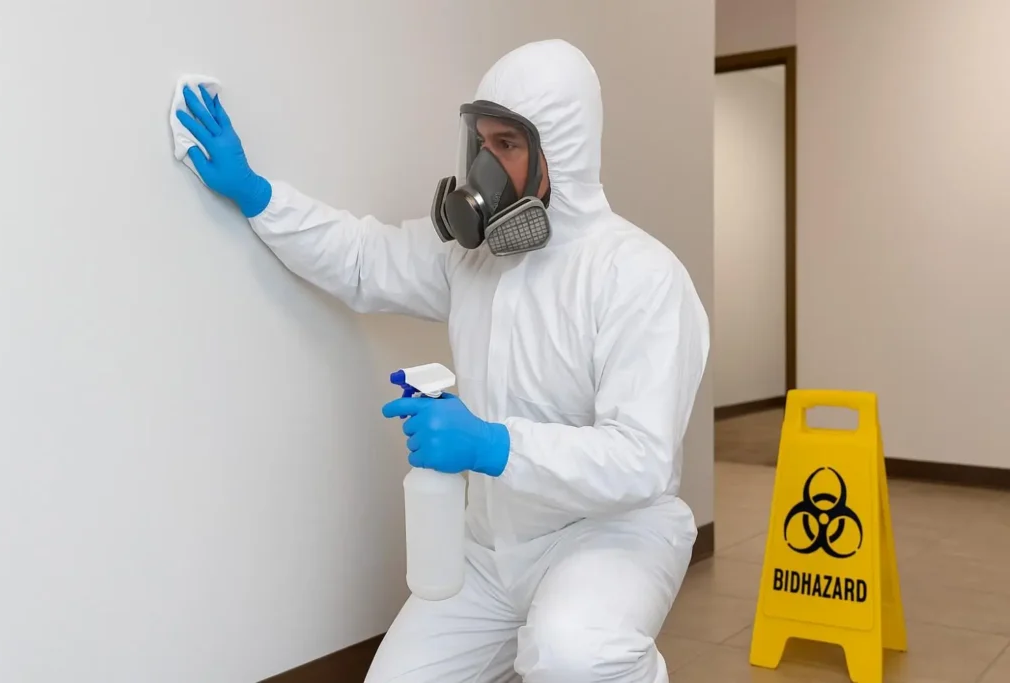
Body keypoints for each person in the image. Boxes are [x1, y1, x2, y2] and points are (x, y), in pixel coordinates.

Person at [177, 39, 709, 683]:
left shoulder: (639, 276)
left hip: (607, 539)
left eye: (507, 145)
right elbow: (363, 259)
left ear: (559, 153)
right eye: (480, 144)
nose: (485, 166)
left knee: (575, 654)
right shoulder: (473, 260)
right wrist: (259, 195)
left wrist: (493, 444)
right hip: (490, 547)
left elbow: (640, 460)